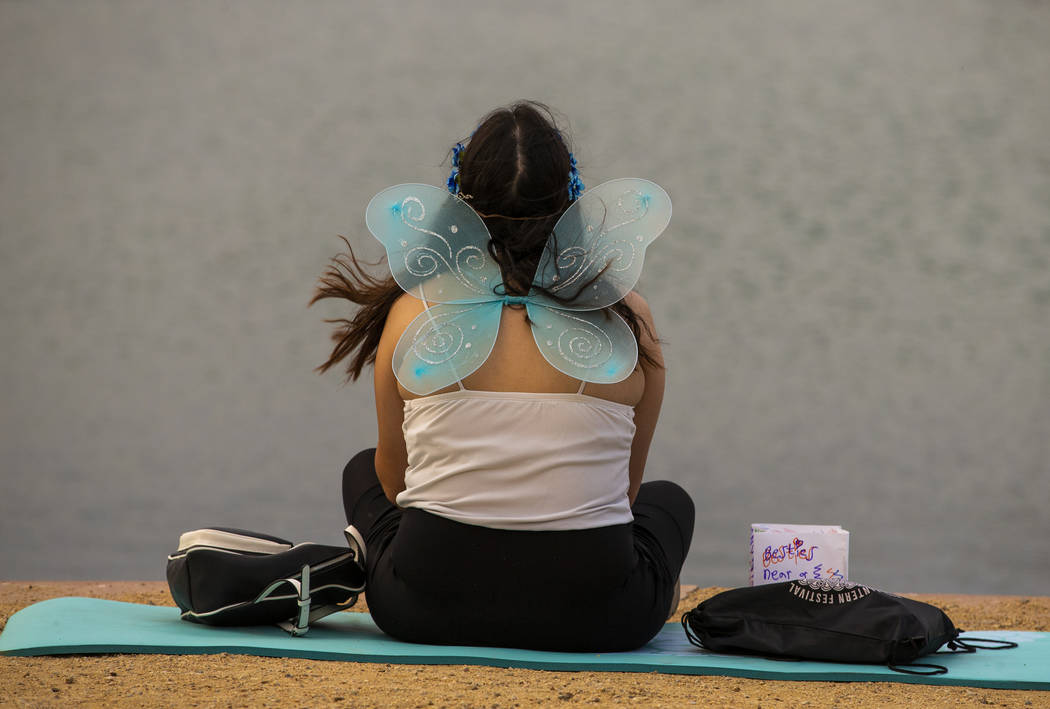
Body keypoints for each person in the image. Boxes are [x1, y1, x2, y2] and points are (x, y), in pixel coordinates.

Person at [312, 101, 694, 652]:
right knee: (669, 501)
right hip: (604, 619)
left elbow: (396, 486)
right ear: (571, 199)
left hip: (423, 610)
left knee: (361, 472)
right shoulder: (626, 317)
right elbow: (627, 493)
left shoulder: (414, 311)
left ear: (459, 200)